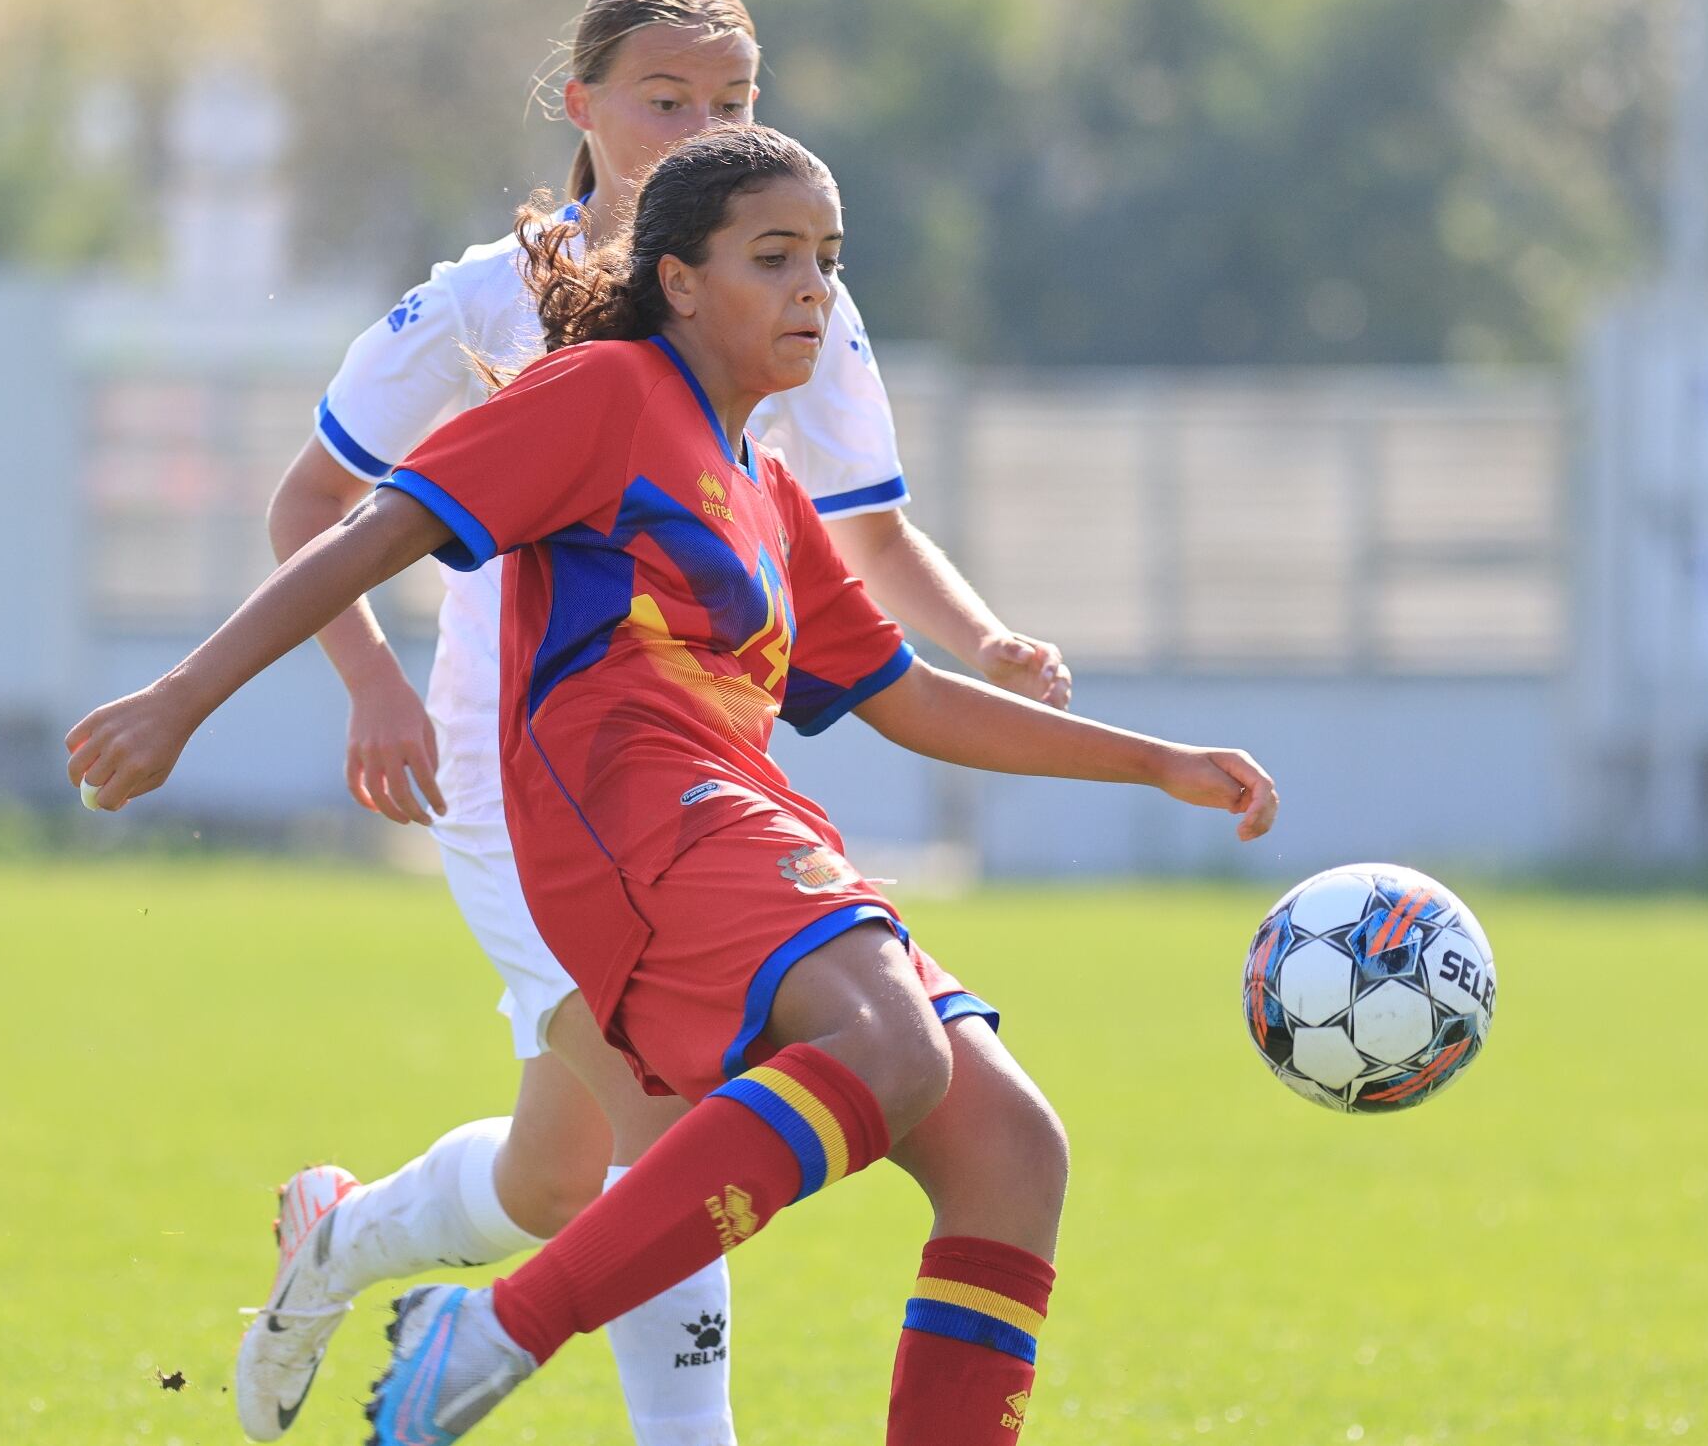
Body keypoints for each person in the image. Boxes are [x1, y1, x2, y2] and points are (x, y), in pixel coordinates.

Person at [66, 124, 1277, 1444]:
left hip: (733, 815)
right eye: (776, 257)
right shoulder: (601, 392)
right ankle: (490, 1334)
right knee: (885, 1040)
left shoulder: (766, 489)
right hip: (630, 817)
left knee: (1011, 1148)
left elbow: (910, 698)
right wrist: (183, 695)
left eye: (828, 257)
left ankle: (410, 1267)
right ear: (684, 280)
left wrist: (1153, 759)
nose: (815, 287)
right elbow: (377, 527)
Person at [222, 0, 1069, 1446]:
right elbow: (319, 505)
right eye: (666, 99)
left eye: (731, 101)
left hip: (707, 762)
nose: (699, 125)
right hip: (525, 773)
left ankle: (342, 1238)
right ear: (584, 106)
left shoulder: (789, 268)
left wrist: (986, 637)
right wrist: (372, 686)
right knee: (664, 1131)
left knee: (561, 1175)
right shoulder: (484, 295)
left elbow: (859, 531)